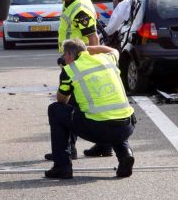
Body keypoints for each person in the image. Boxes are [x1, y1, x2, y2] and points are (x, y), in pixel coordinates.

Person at [7, 0, 113, 159]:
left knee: (68, 104)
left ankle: (68, 150)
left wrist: (90, 63)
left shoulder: (80, 10)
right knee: (85, 102)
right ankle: (104, 145)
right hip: (74, 60)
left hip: (80, 62)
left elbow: (93, 39)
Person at [45, 38, 136, 179]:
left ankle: (62, 167)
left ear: (69, 55)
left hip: (98, 130)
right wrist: (88, 49)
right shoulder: (107, 59)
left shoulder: (70, 70)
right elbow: (114, 50)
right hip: (127, 126)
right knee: (113, 116)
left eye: (65, 55)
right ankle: (125, 155)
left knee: (55, 110)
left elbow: (62, 100)